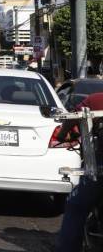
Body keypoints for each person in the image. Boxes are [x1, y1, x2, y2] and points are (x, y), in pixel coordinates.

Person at [56, 92, 103, 252]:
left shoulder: (97, 99)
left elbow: (72, 118)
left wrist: (63, 134)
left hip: (99, 172)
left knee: (75, 205)